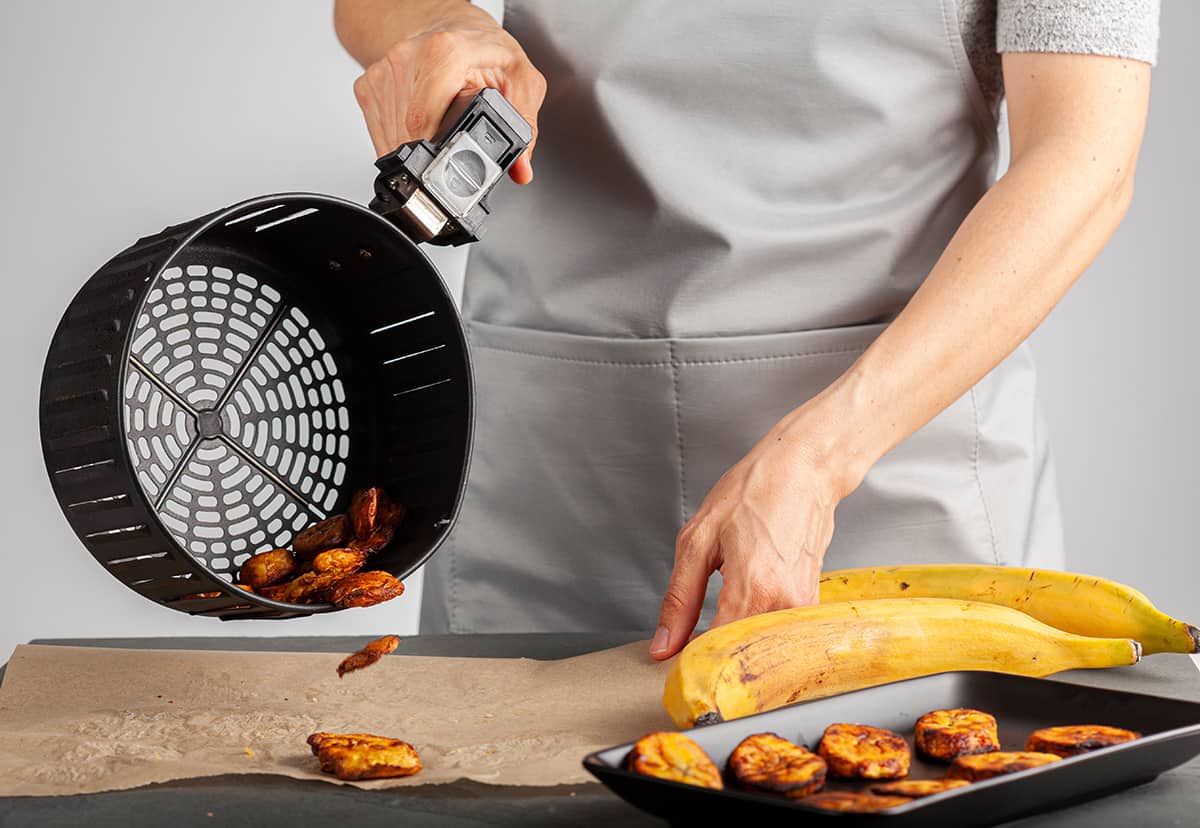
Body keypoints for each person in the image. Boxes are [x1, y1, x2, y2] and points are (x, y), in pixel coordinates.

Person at [333, 0, 1158, 659]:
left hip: (889, 467)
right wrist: (440, 27)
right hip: (553, 472)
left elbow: (1085, 157)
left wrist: (821, 456)